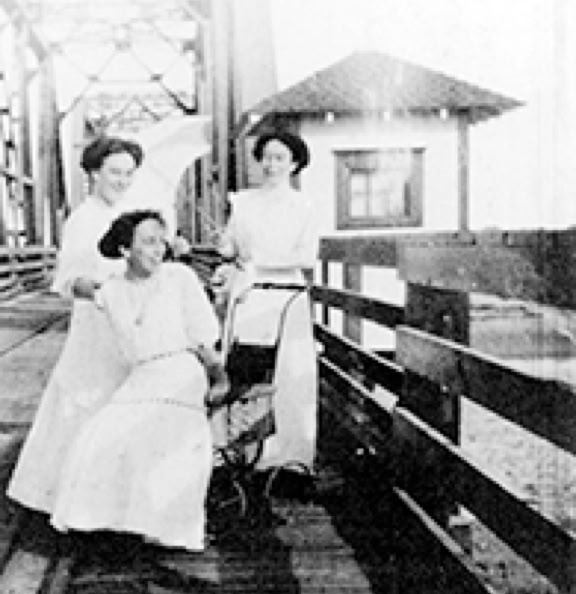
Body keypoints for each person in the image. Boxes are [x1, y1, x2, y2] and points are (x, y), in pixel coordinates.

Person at [49, 210, 224, 552]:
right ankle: (114, 521)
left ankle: (168, 527)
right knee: (96, 436)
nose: (159, 250)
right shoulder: (112, 290)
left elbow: (204, 338)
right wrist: (80, 276)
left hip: (181, 371)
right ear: (125, 249)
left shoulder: (179, 277)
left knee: (161, 430)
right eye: (148, 242)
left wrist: (219, 379)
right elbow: (75, 286)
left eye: (161, 241)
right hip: (142, 376)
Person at [7, 136, 144, 515]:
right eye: (114, 172)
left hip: (131, 326)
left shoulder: (132, 216)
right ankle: (75, 500)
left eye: (129, 173)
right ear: (94, 173)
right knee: (87, 404)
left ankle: (116, 501)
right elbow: (70, 282)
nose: (122, 181)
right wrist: (108, 292)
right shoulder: (83, 221)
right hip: (97, 327)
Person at [214, 129, 320, 484]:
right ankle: (243, 456)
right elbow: (230, 247)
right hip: (250, 296)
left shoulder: (303, 206)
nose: (271, 165)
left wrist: (259, 259)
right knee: (246, 375)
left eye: (280, 158)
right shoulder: (243, 203)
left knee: (290, 375)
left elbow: (306, 257)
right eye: (266, 158)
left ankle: (289, 459)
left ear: (294, 164)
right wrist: (226, 245)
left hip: (287, 296)